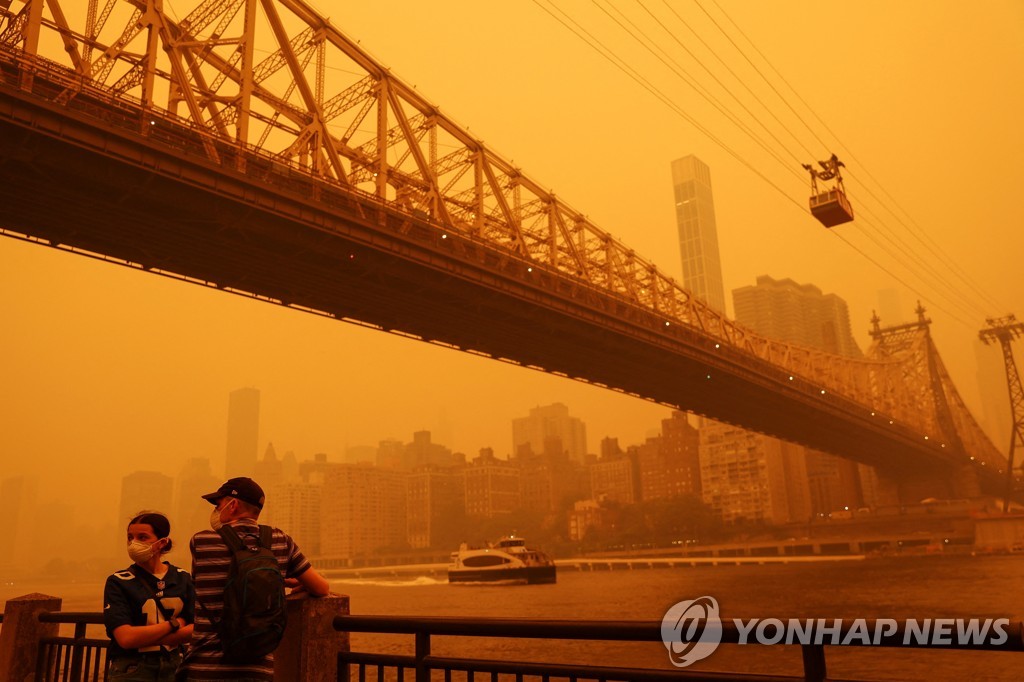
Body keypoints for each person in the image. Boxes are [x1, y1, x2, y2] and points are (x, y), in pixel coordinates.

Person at [179, 476, 330, 681]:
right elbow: (321, 588)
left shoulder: (202, 541)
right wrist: (284, 580)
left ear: (232, 505)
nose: (215, 510)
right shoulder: (281, 541)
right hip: (258, 671)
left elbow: (210, 581)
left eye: (218, 504)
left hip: (205, 667)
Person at [103, 511, 195, 681]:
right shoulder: (119, 581)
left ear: (162, 543)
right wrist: (175, 624)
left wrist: (145, 637)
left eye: (142, 537)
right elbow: (126, 638)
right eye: (130, 537)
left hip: (174, 667)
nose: (133, 543)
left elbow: (195, 630)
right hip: (132, 670)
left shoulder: (183, 578)